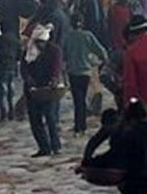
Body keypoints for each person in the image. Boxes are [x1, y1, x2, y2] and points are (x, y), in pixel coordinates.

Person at [22, 23, 63, 157]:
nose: (40, 45)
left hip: (49, 89)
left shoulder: (54, 50)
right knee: (35, 120)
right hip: (33, 89)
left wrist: (54, 79)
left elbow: (56, 67)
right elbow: (24, 68)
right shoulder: (29, 51)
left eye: (42, 42)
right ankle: (44, 147)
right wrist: (28, 79)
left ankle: (56, 145)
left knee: (50, 117)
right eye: (38, 42)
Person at [64, 13, 109, 136]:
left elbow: (64, 55)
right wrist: (103, 61)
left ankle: (78, 126)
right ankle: (82, 126)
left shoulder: (68, 37)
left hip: (73, 72)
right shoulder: (88, 35)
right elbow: (101, 50)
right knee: (82, 98)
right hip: (86, 72)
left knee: (77, 100)